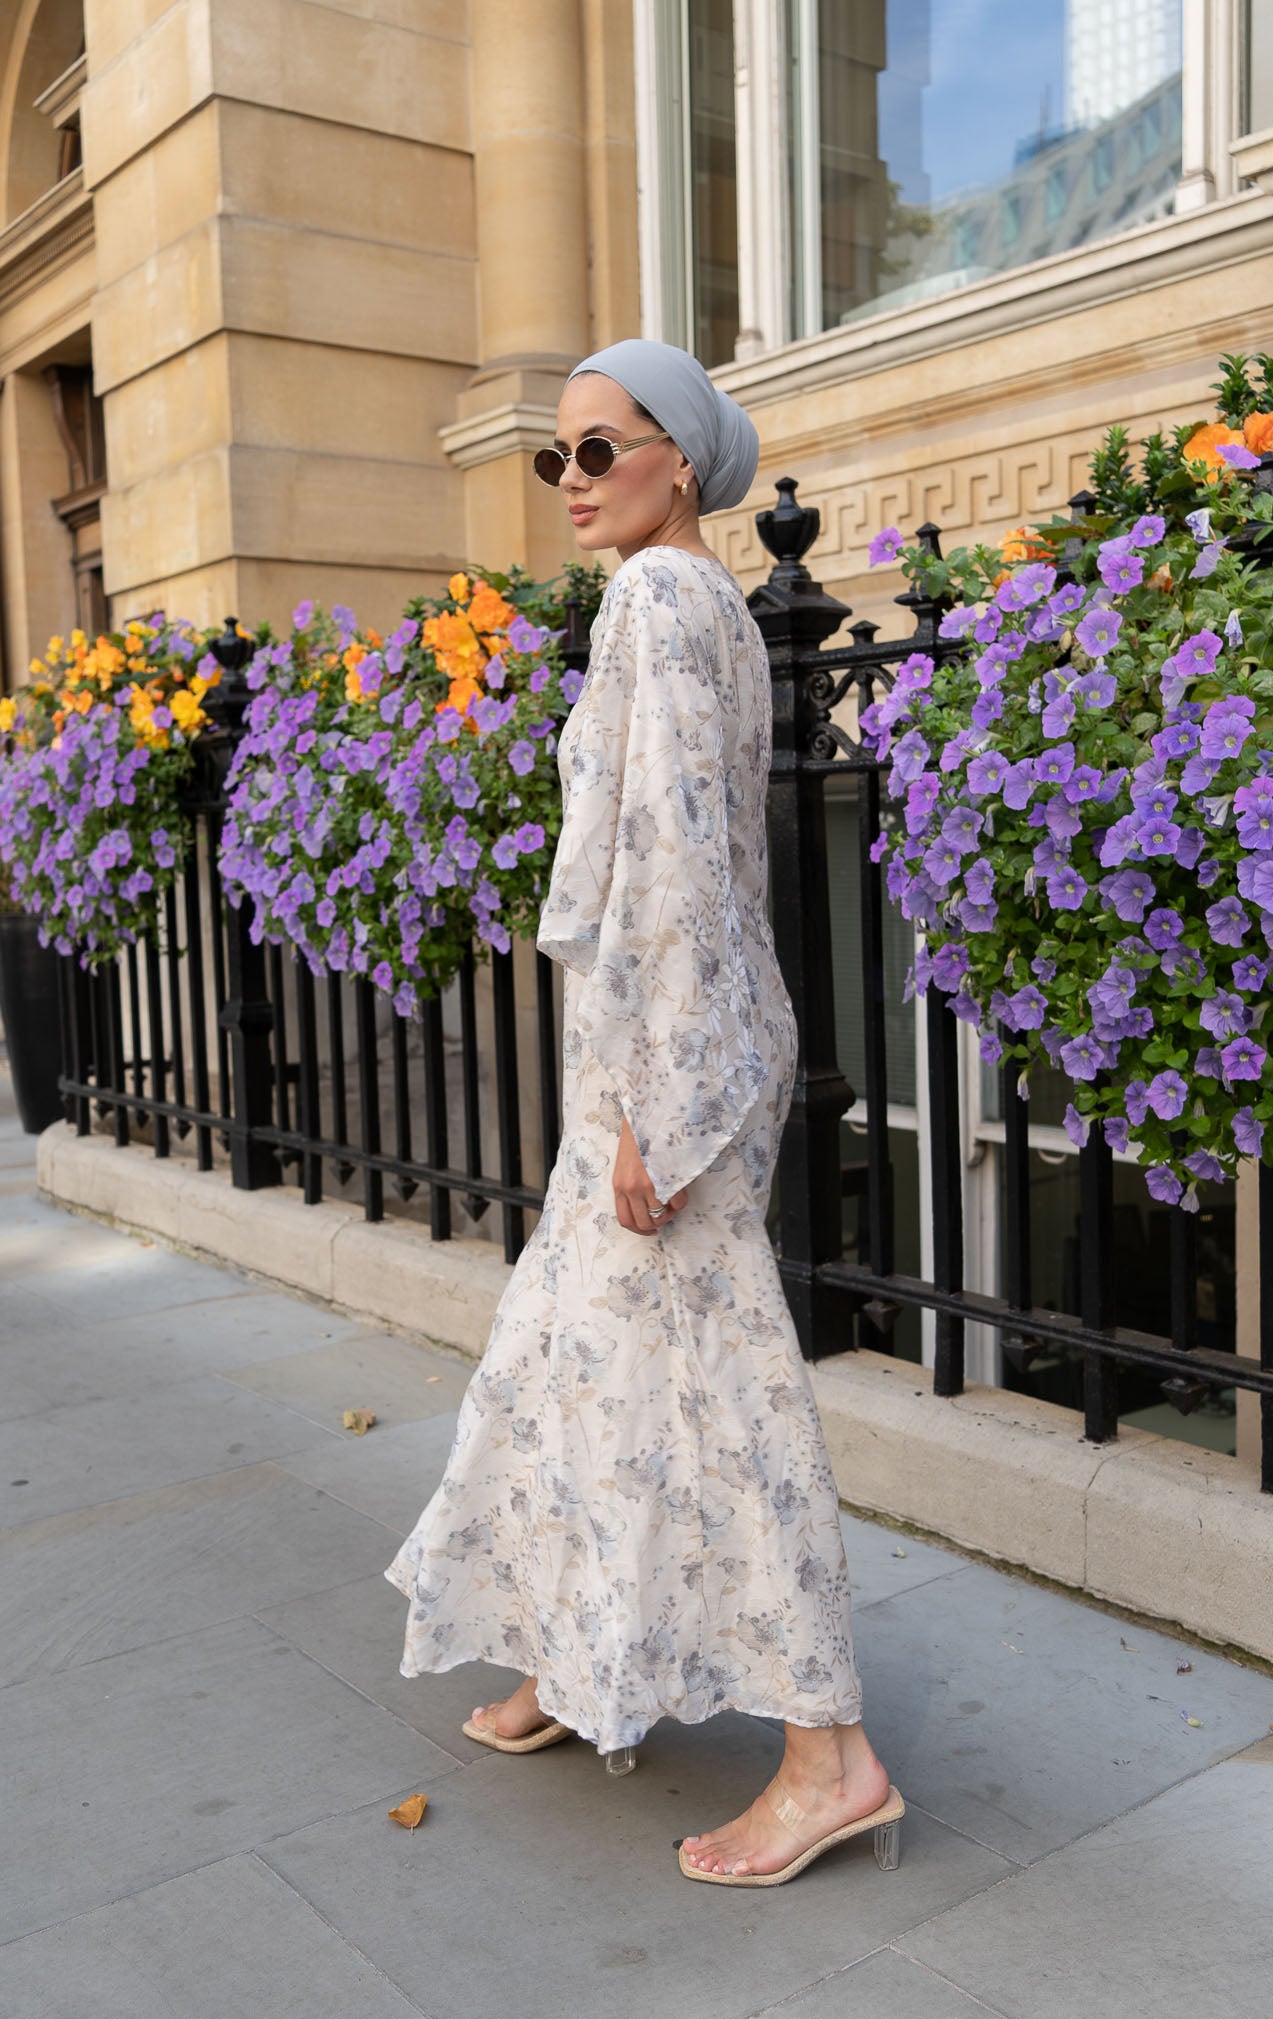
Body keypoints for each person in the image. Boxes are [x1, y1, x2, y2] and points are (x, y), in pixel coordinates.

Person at [383, 337, 901, 1887]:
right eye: (557, 456)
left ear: (680, 457)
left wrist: (650, 1117)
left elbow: (676, 863)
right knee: (570, 1365)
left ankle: (829, 1758)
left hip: (671, 1063)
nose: (573, 482)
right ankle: (569, 1650)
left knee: (717, 1393)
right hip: (659, 1050)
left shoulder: (661, 603)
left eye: (601, 448)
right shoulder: (687, 607)